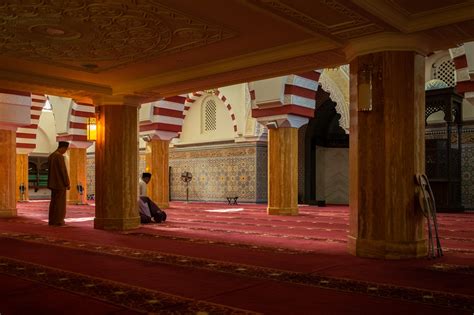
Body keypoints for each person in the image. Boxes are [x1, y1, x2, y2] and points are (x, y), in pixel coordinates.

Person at [47, 141, 71, 226]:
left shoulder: (51, 156)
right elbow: (63, 171)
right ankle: (59, 221)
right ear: (63, 148)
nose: (65, 151)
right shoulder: (59, 157)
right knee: (60, 204)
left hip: (52, 183)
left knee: (53, 202)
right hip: (60, 184)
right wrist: (67, 183)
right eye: (66, 149)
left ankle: (52, 220)